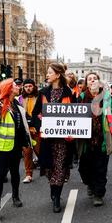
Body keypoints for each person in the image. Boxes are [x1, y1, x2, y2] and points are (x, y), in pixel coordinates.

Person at [0, 78, 32, 217]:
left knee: (15, 173)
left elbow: (20, 125)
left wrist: (26, 141)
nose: (18, 87)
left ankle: (15, 197)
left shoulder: (16, 104)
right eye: (15, 85)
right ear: (9, 88)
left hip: (16, 147)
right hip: (2, 147)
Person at [32, 63, 74, 213]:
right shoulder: (43, 93)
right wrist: (40, 123)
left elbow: (75, 116)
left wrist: (72, 132)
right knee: (50, 168)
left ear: (57, 75)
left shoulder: (69, 93)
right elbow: (35, 114)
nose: (47, 75)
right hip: (48, 139)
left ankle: (57, 197)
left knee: (61, 167)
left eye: (50, 72)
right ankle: (53, 191)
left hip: (63, 140)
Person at [77, 72, 112, 206]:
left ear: (99, 82)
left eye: (95, 78)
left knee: (100, 168)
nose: (92, 81)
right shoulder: (81, 97)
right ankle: (90, 184)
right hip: (86, 140)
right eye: (89, 79)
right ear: (86, 83)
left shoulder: (107, 97)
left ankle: (98, 194)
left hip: (101, 138)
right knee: (84, 169)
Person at [18, 78, 40, 183]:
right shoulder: (20, 99)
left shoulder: (39, 97)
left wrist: (35, 126)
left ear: (34, 86)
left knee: (40, 151)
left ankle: (49, 171)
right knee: (27, 153)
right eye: (26, 86)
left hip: (37, 129)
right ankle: (28, 174)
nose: (28, 88)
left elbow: (41, 113)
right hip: (25, 130)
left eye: (30, 86)